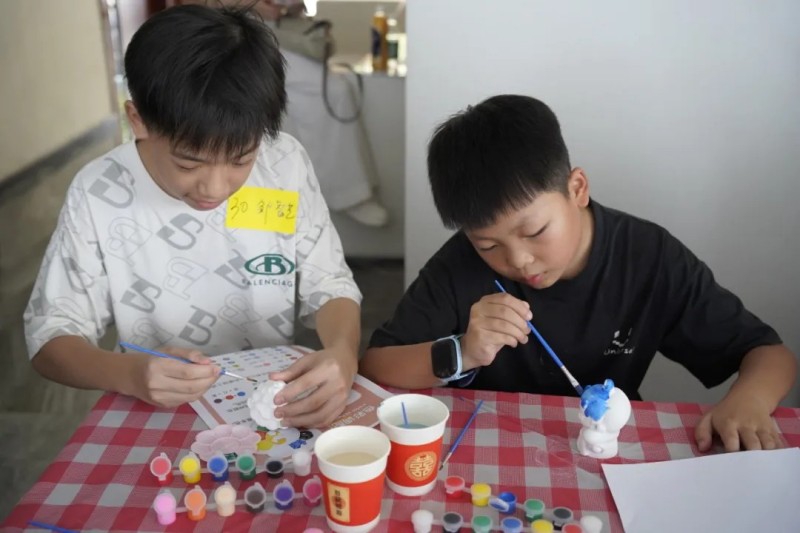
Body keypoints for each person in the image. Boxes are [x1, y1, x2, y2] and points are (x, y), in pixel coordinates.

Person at [360, 94, 797, 452]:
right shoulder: (461, 264)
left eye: (535, 231)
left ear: (577, 188)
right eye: (489, 245)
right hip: (489, 449)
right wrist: (463, 352)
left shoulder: (646, 256)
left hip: (605, 453)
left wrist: (749, 401)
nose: (519, 260)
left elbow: (769, 354)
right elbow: (378, 365)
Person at [23, 4, 362, 429]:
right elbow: (50, 336)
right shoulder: (99, 192)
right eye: (189, 163)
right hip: (152, 409)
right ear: (138, 120)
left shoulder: (284, 164)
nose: (215, 189)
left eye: (241, 160)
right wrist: (128, 374)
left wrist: (343, 354)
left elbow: (329, 284)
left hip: (265, 406)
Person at [206, 0, 390, 227]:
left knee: (328, 93)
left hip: (273, 32)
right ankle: (345, 193)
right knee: (324, 93)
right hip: (232, 31)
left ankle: (342, 192)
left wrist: (290, 7)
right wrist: (253, 5)